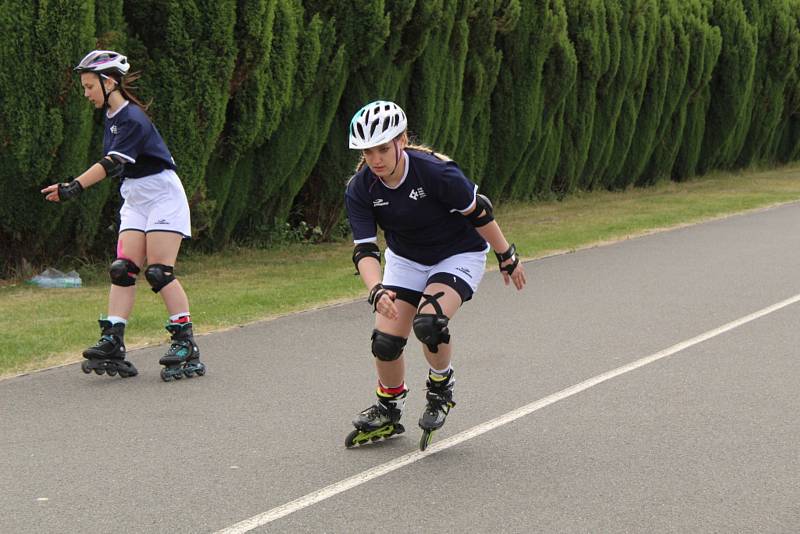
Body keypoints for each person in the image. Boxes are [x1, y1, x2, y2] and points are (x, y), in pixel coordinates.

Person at [343, 100, 526, 450]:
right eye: (368, 152)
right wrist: (376, 288)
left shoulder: (435, 172)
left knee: (429, 324)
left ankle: (441, 384)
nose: (376, 159)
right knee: (385, 342)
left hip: (457, 253)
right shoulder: (361, 188)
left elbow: (480, 212)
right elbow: (365, 250)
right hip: (407, 259)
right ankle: (389, 405)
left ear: (403, 140)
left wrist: (506, 254)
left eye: (383, 148)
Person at [41, 50, 204, 382]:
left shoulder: (132, 118)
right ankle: (113, 339)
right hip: (135, 195)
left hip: (161, 194)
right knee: (122, 269)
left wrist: (73, 187)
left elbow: (113, 162)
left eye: (89, 86)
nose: (86, 93)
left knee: (158, 272)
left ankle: (185, 343)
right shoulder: (112, 116)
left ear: (109, 82)